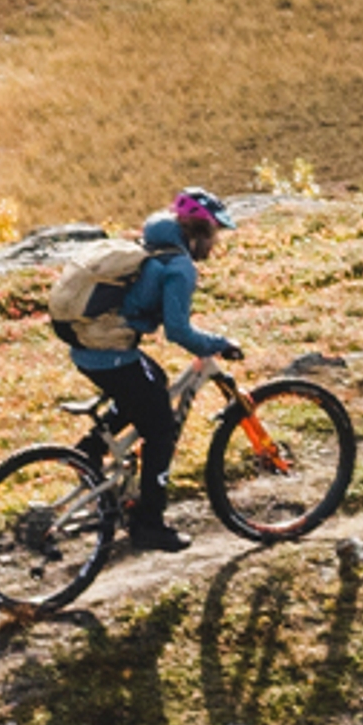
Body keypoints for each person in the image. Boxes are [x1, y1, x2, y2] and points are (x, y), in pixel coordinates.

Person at [75, 187, 241, 552]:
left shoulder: (151, 245)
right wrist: (219, 343)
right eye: (214, 235)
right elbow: (179, 331)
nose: (214, 246)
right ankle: (149, 524)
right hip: (109, 352)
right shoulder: (179, 267)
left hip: (87, 345)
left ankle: (89, 450)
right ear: (199, 232)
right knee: (160, 429)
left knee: (153, 383)